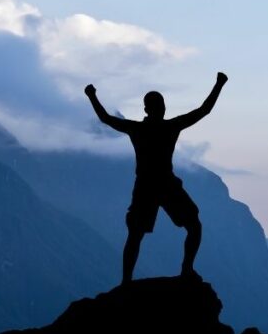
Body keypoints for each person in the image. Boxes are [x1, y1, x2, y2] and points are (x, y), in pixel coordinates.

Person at [84, 73, 228, 284]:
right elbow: (203, 110)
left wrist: (92, 96)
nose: (162, 108)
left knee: (136, 234)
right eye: (161, 105)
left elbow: (105, 118)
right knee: (192, 226)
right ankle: (186, 270)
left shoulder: (137, 129)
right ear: (159, 108)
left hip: (145, 186)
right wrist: (219, 84)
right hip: (166, 184)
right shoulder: (170, 127)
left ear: (146, 109)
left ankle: (127, 281)